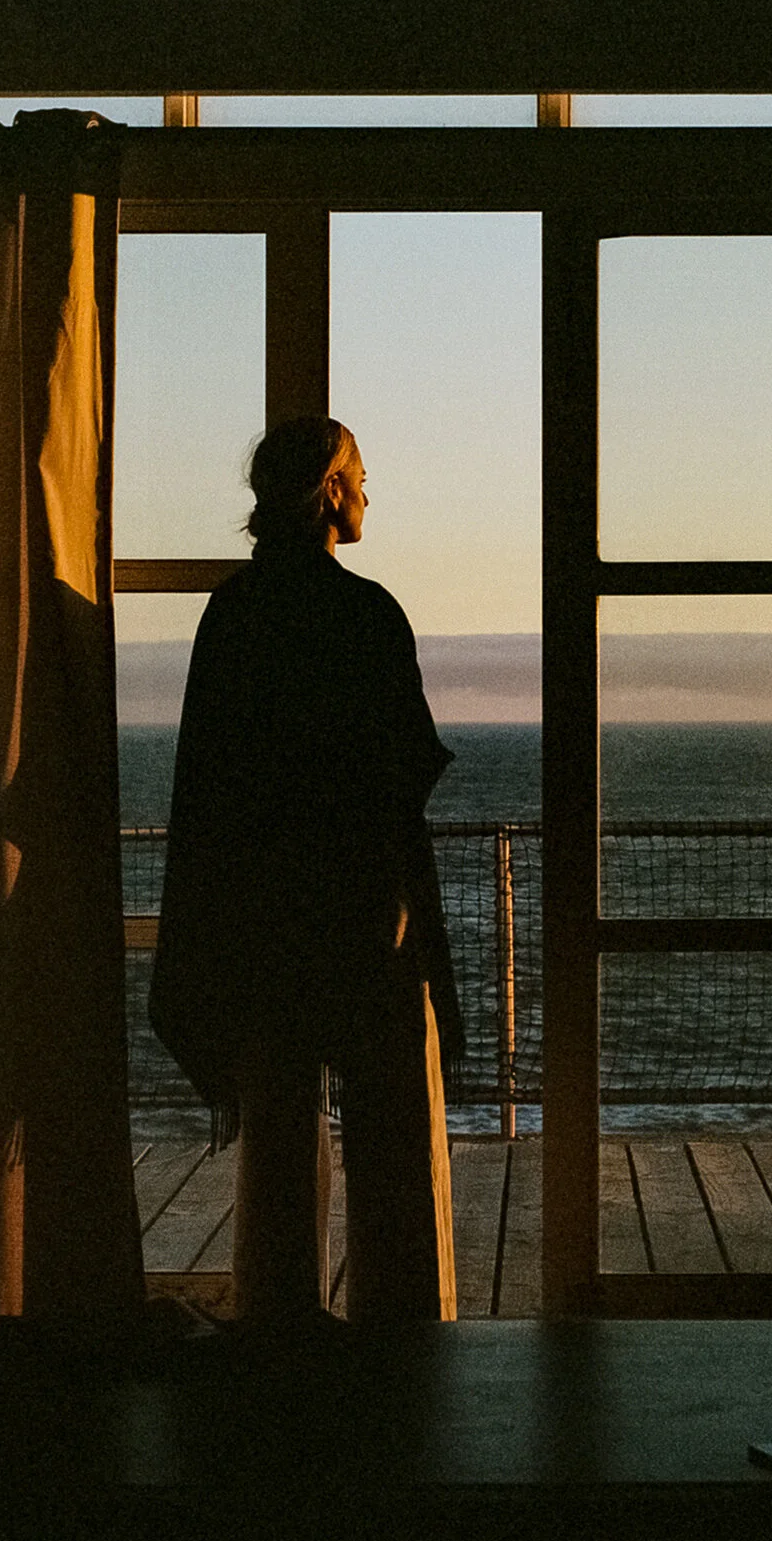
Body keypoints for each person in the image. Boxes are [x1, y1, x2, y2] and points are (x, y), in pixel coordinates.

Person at [149, 416, 463, 1323]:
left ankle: (278, 1320)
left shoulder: (233, 613)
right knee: (391, 1131)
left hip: (261, 913)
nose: (369, 491)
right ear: (328, 489)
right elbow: (399, 776)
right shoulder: (368, 614)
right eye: (359, 475)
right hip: (363, 906)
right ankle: (398, 1322)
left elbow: (212, 779)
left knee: (279, 1128)